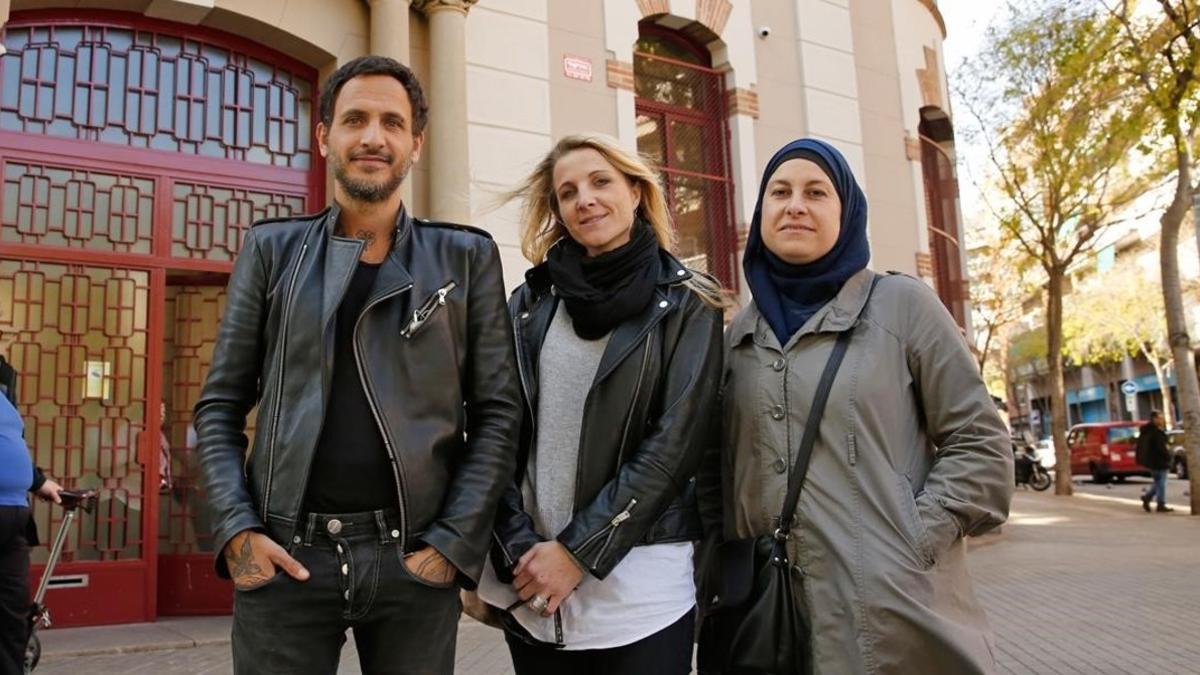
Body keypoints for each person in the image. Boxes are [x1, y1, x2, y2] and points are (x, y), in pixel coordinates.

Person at [194, 55, 521, 674]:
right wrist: (236, 529)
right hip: (286, 557)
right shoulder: (271, 251)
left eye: (392, 123)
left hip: (414, 560)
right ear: (325, 137)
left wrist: (451, 544)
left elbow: (500, 414)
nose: (374, 136)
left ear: (416, 144)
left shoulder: (466, 256)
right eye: (356, 120)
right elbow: (219, 407)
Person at [712, 138, 1013, 673]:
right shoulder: (739, 336)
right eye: (778, 192)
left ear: (846, 212)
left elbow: (981, 443)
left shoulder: (902, 306)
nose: (795, 205)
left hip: (891, 615)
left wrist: (911, 539)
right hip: (768, 621)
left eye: (816, 192)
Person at [476, 134, 724, 674]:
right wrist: (519, 550)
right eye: (568, 192)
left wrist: (577, 553)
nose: (584, 199)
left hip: (640, 595)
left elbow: (674, 444)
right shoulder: (530, 303)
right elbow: (495, 430)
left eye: (600, 182)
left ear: (636, 192)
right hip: (534, 588)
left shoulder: (689, 303)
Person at [1, 389, 62, 675]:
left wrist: (39, 482)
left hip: (14, 517)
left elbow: (13, 444)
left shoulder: (4, 398)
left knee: (13, 615)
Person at [1137, 411, 1172, 513]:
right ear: (1154, 419)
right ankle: (1160, 503)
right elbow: (1161, 447)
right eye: (1160, 418)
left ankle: (1147, 498)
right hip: (1159, 460)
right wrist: (1168, 457)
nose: (1162, 420)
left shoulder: (1147, 431)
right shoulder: (1155, 432)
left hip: (1151, 461)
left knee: (1158, 482)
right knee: (1161, 482)